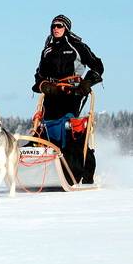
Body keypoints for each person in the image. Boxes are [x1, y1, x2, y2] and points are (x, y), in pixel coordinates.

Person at [31, 14, 104, 184]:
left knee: (69, 129)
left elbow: (97, 66)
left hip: (72, 94)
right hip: (52, 95)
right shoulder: (47, 50)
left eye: (59, 26)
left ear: (66, 28)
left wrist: (87, 82)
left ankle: (77, 169)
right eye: (53, 26)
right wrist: (43, 85)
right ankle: (40, 169)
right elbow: (38, 76)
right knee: (46, 129)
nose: (56, 29)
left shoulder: (78, 46)